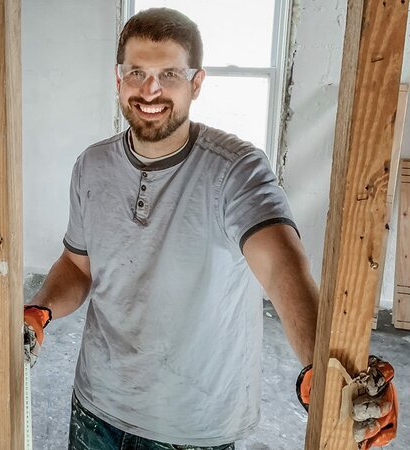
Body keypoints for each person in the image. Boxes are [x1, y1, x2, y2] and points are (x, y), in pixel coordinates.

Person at [23, 8, 397, 450]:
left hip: (193, 428)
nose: (151, 89)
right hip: (97, 410)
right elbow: (78, 265)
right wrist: (39, 311)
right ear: (117, 79)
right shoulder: (92, 166)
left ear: (196, 84)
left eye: (170, 74)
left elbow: (281, 267)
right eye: (137, 72)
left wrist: (324, 363)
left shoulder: (237, 169)